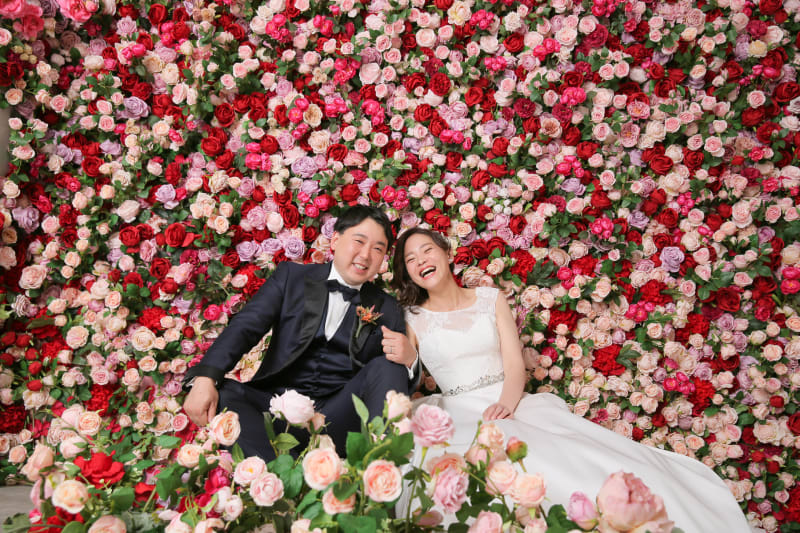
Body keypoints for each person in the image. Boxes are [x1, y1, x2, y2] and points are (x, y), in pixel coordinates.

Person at [391, 227, 749, 531]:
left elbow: (515, 365)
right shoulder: (411, 317)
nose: (421, 261)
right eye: (410, 259)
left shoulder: (489, 299)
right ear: (407, 273)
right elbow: (412, 375)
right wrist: (410, 360)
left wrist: (506, 405)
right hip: (456, 411)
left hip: (509, 401)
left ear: (446, 253)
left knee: (578, 460)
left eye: (427, 250)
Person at [182, 206, 418, 460]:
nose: (366, 255)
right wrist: (206, 377)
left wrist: (411, 360)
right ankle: (285, 475)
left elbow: (388, 381)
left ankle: (378, 467)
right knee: (224, 395)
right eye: (359, 241)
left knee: (390, 365)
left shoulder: (388, 307)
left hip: (338, 421)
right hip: (275, 410)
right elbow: (246, 326)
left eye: (378, 249)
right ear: (335, 240)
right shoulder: (291, 278)